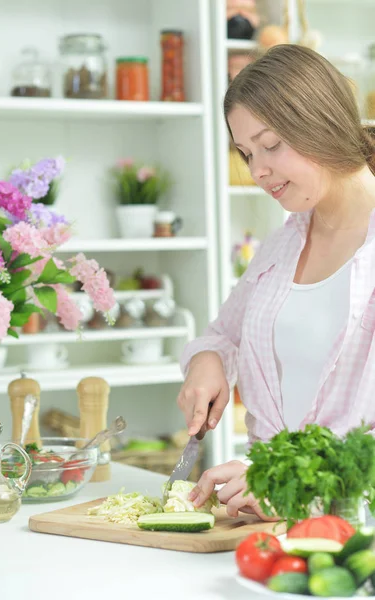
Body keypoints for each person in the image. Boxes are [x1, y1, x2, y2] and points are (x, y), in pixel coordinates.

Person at [177, 44, 375, 521]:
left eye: (271, 144)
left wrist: (286, 478)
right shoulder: (282, 246)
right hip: (276, 528)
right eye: (246, 153)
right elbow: (225, 332)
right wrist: (207, 360)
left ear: (320, 121)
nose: (258, 170)